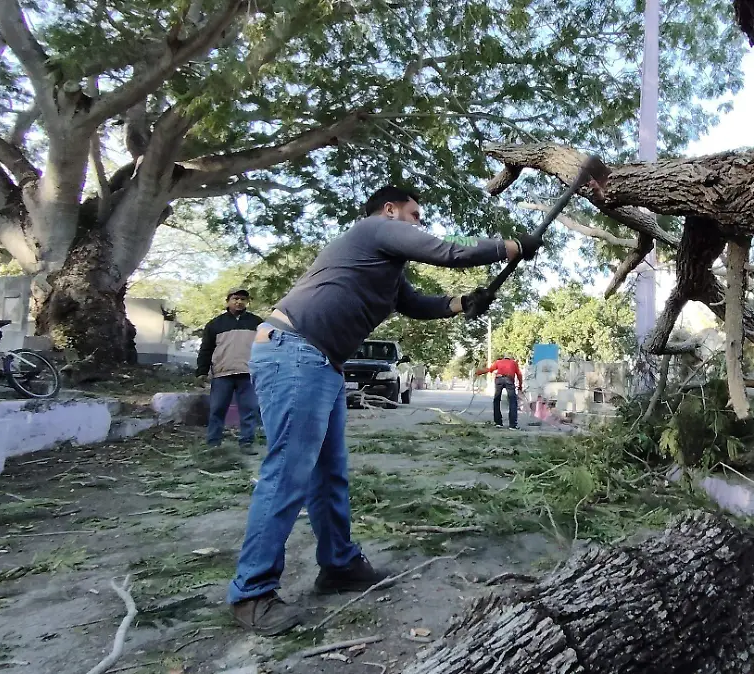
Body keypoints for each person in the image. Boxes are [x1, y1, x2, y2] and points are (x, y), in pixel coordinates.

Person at [227, 185, 541, 635]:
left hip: (321, 362)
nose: (419, 224)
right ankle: (252, 592)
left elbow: (415, 306)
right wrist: (511, 246)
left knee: (328, 473)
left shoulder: (385, 271)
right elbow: (450, 252)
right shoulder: (374, 230)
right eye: (415, 215)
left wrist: (462, 304)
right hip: (294, 351)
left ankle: (339, 566)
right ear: (391, 211)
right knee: (289, 472)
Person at [196, 288, 263, 455]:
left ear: (247, 302)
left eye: (243, 299)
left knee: (249, 409)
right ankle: (213, 443)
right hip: (222, 374)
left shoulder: (257, 323)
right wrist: (201, 371)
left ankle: (246, 443)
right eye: (235, 298)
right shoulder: (215, 324)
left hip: (248, 373)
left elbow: (265, 347)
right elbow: (206, 349)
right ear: (228, 301)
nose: (239, 302)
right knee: (217, 409)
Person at [475, 354, 523, 429]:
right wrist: (520, 385)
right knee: (512, 401)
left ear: (504, 358)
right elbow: (519, 374)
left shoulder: (498, 362)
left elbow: (490, 369)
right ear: (510, 358)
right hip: (509, 380)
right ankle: (512, 425)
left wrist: (479, 372)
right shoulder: (514, 363)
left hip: (499, 379)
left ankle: (498, 423)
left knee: (497, 400)